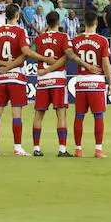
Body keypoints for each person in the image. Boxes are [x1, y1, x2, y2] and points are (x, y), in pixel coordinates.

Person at [0, 2, 43, 156]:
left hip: (1, 78)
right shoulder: (21, 31)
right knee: (16, 114)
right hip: (17, 77)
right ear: (17, 16)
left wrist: (4, 65)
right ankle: (17, 148)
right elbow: (25, 52)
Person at [66, 10, 111, 157]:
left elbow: (69, 55)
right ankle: (98, 150)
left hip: (81, 83)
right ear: (97, 23)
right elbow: (105, 64)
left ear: (84, 23)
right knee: (98, 116)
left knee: (79, 116)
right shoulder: (102, 41)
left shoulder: (76, 40)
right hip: (96, 83)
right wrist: (110, 83)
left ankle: (78, 149)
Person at [31, 10, 75, 156]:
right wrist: (50, 68)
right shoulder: (63, 37)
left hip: (43, 81)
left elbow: (30, 52)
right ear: (59, 22)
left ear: (46, 22)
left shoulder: (39, 38)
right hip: (57, 79)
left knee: (39, 115)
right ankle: (62, 149)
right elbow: (65, 57)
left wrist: (44, 67)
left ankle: (36, 148)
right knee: (61, 114)